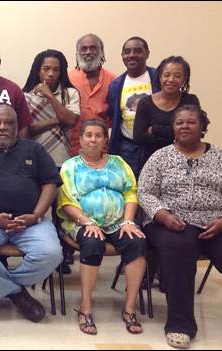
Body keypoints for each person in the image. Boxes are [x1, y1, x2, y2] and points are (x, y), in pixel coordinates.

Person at [138, 105, 222, 349]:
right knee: (178, 250)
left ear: (202, 127)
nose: (184, 126)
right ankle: (180, 325)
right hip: (173, 222)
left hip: (217, 222)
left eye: (190, 122)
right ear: (173, 129)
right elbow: (145, 192)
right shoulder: (160, 157)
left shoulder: (221, 157)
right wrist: (162, 215)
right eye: (179, 123)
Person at [0, 104, 63, 323]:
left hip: (30, 222)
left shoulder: (34, 150)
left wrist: (35, 215)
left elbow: (50, 184)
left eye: (8, 123)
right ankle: (17, 294)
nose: (2, 127)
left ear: (17, 126)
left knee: (52, 253)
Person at [57, 118, 146, 335]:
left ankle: (129, 308)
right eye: (89, 135)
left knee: (137, 242)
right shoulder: (70, 167)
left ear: (105, 140)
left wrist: (128, 221)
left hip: (118, 221)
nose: (93, 140)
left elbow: (131, 192)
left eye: (98, 136)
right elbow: (66, 202)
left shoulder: (118, 163)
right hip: (81, 221)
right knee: (93, 242)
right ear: (80, 140)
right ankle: (86, 308)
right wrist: (87, 222)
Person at [107, 37, 160, 177]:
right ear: (122, 56)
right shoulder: (116, 85)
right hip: (127, 148)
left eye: (137, 51)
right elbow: (115, 115)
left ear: (147, 53)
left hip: (156, 145)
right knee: (129, 187)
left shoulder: (158, 78)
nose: (131, 55)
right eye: (127, 51)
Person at [133, 56, 199, 165]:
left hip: (184, 162)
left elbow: (195, 133)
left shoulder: (190, 100)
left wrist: (155, 129)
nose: (171, 80)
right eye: (166, 75)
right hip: (151, 162)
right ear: (160, 77)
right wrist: (174, 137)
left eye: (177, 76)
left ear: (184, 79)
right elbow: (139, 137)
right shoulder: (145, 103)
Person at [23, 49, 80, 167]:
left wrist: (50, 96)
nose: (51, 73)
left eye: (56, 70)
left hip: (62, 159)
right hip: (34, 159)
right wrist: (59, 119)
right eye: (46, 68)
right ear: (38, 71)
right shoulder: (26, 96)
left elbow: (71, 121)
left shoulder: (70, 93)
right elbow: (29, 129)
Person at [68, 33, 116, 156]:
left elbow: (114, 119)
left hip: (101, 151)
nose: (88, 52)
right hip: (70, 149)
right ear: (77, 53)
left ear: (101, 52)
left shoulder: (113, 81)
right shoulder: (68, 79)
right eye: (84, 48)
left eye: (93, 48)